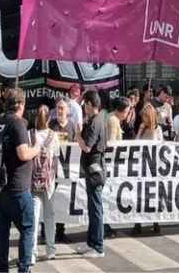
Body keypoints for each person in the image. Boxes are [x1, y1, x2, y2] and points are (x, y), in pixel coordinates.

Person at [0, 88, 41, 273]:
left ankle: (3, 269)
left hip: (0, 186)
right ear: (21, 104)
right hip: (18, 187)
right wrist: (37, 148)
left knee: (3, 233)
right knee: (28, 228)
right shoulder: (18, 124)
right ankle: (24, 269)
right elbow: (23, 153)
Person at [75, 90, 107, 259]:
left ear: (88, 104)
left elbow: (87, 147)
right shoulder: (100, 119)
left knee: (96, 210)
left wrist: (78, 136)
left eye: (84, 105)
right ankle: (91, 243)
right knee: (93, 208)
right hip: (96, 169)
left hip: (95, 170)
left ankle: (99, 246)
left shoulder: (96, 122)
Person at [31, 105, 60, 263]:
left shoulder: (31, 135)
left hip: (34, 181)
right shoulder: (53, 136)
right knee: (49, 215)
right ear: (48, 118)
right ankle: (50, 249)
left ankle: (32, 251)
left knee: (34, 217)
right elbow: (56, 162)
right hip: (48, 181)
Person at [47, 98, 77, 243]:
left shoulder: (72, 127)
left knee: (62, 201)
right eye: (57, 108)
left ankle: (60, 231)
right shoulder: (51, 126)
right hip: (51, 171)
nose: (59, 111)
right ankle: (45, 232)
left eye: (62, 108)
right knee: (48, 200)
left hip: (65, 172)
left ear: (68, 110)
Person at [132, 104, 163, 235]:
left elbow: (161, 146)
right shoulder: (142, 129)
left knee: (153, 195)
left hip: (153, 166)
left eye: (145, 117)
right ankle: (137, 223)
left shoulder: (158, 129)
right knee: (139, 195)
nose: (143, 119)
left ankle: (155, 222)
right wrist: (140, 130)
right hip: (141, 166)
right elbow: (135, 143)